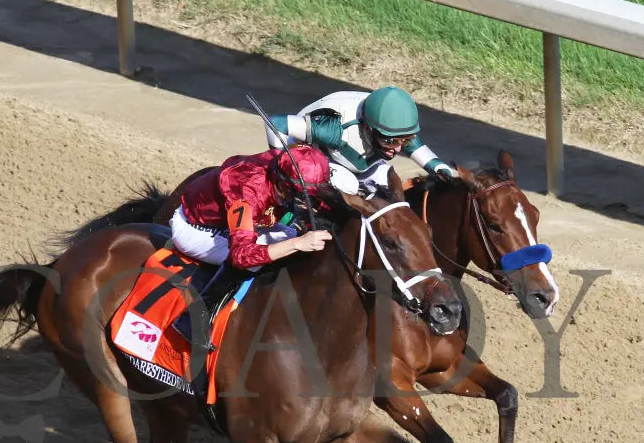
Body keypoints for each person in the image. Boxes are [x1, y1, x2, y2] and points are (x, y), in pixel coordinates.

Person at [168, 144, 334, 350]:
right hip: (195, 227)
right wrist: (297, 243)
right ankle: (194, 319)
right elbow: (241, 255)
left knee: (288, 236)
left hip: (242, 222)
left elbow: (325, 205)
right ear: (283, 186)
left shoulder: (290, 171)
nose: (307, 204)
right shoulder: (247, 190)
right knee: (265, 255)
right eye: (303, 198)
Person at [265, 86, 474, 199]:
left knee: (389, 183)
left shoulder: (394, 128)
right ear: (367, 127)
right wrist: (279, 166)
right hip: (315, 156)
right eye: (390, 140)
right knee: (349, 184)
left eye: (405, 139)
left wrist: (442, 169)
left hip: (353, 160)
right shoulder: (334, 128)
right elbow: (276, 123)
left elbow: (418, 149)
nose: (399, 148)